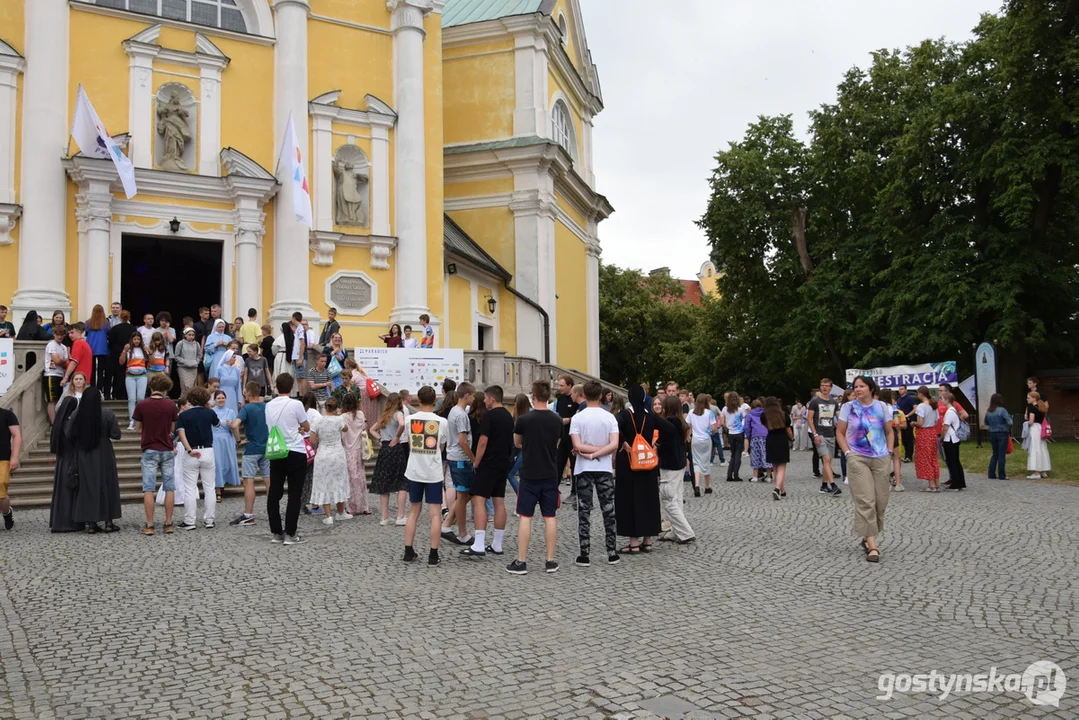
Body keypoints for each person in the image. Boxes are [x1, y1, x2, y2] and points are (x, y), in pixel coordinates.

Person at [507, 380, 563, 575]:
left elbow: (517, 442)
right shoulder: (556, 419)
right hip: (550, 473)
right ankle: (550, 560)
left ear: (533, 396)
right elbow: (556, 443)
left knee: (525, 516)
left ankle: (521, 561)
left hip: (530, 474)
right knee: (550, 516)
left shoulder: (524, 420)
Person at [836, 375, 894, 563]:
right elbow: (840, 432)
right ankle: (873, 545)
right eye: (855, 387)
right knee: (866, 501)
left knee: (880, 501)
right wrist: (847, 454)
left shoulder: (882, 407)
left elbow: (889, 431)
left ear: (870, 388)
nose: (858, 389)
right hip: (858, 458)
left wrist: (890, 452)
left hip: (880, 457)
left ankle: (867, 535)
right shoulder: (848, 407)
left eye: (861, 386)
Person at [568, 380, 622, 565]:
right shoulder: (610, 418)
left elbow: (577, 445)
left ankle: (584, 554)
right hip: (604, 468)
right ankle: (612, 552)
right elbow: (614, 445)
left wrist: (590, 454)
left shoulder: (577, 418)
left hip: (583, 468)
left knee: (584, 511)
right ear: (600, 396)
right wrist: (601, 451)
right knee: (609, 510)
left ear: (584, 393)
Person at [460, 385, 515, 558]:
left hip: (488, 463)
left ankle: (478, 544)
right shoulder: (507, 415)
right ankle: (497, 544)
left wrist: (476, 461)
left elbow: (483, 441)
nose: (483, 400)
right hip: (503, 463)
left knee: (478, 500)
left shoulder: (490, 416)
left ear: (491, 398)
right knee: (499, 502)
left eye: (485, 397)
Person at [401, 385, 450, 566]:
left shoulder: (409, 420)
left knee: (413, 512)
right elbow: (441, 446)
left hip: (414, 470)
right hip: (433, 472)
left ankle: (408, 550)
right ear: (434, 400)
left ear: (418, 401)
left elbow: (409, 441)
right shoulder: (441, 422)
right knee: (435, 514)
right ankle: (433, 554)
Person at [613, 385, 662, 554]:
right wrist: (656, 444)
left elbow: (613, 426)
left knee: (629, 500)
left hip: (628, 464)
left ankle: (633, 543)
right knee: (648, 500)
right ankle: (647, 541)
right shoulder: (651, 416)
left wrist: (623, 441)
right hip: (647, 463)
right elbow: (669, 429)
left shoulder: (625, 415)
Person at [67, 387, 122, 533]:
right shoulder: (107, 413)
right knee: (107, 483)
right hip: (104, 451)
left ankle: (91, 523)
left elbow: (69, 433)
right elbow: (116, 434)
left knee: (87, 486)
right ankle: (109, 522)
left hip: (84, 452)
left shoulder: (76, 414)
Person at [264, 373, 311, 545]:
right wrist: (298, 428)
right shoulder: (296, 404)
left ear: (276, 386)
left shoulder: (268, 405)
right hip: (295, 450)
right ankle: (291, 533)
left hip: (277, 450)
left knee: (274, 492)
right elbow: (306, 426)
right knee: (294, 494)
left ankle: (276, 532)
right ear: (292, 388)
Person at [133, 374, 179, 535]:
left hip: (149, 447)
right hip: (166, 448)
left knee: (148, 488)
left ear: (151, 387)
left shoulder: (142, 405)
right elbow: (172, 429)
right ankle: (168, 523)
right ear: (166, 388)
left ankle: (150, 524)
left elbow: (138, 428)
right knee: (169, 487)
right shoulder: (171, 405)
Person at [175, 386, 220, 530]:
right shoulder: (209, 413)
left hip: (192, 451)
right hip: (207, 450)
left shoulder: (183, 416)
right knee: (209, 487)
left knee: (190, 487)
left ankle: (189, 521)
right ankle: (209, 520)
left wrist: (189, 450)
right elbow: (218, 424)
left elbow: (181, 435)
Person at [654, 394, 695, 544]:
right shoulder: (681, 422)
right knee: (676, 498)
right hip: (679, 463)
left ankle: (685, 532)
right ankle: (675, 531)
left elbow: (662, 443)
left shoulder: (668, 423)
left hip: (669, 464)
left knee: (669, 499)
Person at [49, 372, 87, 532]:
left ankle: (60, 521)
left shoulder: (59, 425)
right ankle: (69, 521)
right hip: (70, 460)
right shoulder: (68, 426)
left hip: (62, 460)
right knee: (69, 490)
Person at [442, 382, 476, 547]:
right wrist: (473, 458)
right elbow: (463, 441)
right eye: (473, 395)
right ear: (467, 395)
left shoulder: (454, 411)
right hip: (461, 459)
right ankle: (460, 531)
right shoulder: (461, 415)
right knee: (463, 495)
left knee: (465, 494)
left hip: (456, 457)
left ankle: (449, 524)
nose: (474, 398)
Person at [309, 397, 351, 525]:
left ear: (325, 407)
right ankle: (340, 512)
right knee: (339, 481)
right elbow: (346, 429)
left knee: (323, 483)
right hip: (338, 453)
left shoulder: (317, 420)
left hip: (323, 454)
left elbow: (312, 440)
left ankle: (328, 516)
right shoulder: (339, 419)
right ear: (336, 408)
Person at [232, 382, 268, 526]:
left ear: (248, 393)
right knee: (269, 481)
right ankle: (273, 511)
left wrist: (238, 441)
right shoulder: (267, 406)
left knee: (249, 481)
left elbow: (235, 425)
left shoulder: (246, 408)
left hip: (252, 448)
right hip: (267, 448)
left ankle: (248, 514)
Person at [370, 392, 409, 526]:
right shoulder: (399, 414)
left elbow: (372, 430)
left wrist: (380, 438)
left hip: (385, 448)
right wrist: (397, 436)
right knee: (402, 482)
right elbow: (402, 424)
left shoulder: (384, 416)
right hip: (396, 448)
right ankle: (400, 516)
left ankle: (385, 517)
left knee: (385, 483)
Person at [807, 379, 842, 496]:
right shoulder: (815, 401)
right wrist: (815, 434)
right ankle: (833, 485)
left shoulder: (834, 402)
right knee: (826, 459)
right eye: (822, 385)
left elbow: (838, 418)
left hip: (830, 434)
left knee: (828, 461)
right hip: (819, 434)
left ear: (831, 388)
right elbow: (809, 419)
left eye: (827, 386)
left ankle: (823, 485)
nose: (824, 388)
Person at [340, 392, 370, 516]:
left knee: (351, 479)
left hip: (347, 450)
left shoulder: (342, 417)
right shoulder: (361, 414)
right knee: (361, 477)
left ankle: (351, 506)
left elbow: (341, 435)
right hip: (358, 449)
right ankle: (364, 506)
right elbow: (365, 428)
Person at [209, 389, 240, 501]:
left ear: (226, 399)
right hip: (215, 440)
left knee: (227, 462)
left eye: (222, 398)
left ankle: (224, 483)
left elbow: (235, 427)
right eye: (219, 398)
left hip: (227, 439)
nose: (221, 400)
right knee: (217, 464)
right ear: (215, 400)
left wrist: (231, 425)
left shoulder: (230, 412)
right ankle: (218, 490)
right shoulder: (211, 411)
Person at [762, 396, 793, 500]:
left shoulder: (764, 415)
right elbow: (788, 429)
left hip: (770, 439)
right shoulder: (784, 415)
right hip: (782, 439)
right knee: (782, 466)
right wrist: (792, 439)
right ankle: (777, 488)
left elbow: (766, 426)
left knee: (775, 465)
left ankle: (782, 490)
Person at [687, 394, 717, 497]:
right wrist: (712, 432)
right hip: (706, 439)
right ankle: (707, 487)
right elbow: (714, 428)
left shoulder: (691, 412)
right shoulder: (709, 413)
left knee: (696, 463)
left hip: (695, 439)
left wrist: (688, 436)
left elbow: (688, 426)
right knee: (706, 462)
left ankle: (697, 485)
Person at [118, 332, 148, 431]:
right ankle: (132, 421)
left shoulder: (143, 350)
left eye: (138, 339)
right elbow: (121, 362)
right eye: (135, 339)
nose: (136, 341)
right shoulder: (128, 350)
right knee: (131, 399)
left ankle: (141, 420)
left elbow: (151, 361)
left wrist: (149, 352)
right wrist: (124, 350)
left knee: (140, 398)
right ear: (132, 340)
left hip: (142, 376)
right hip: (130, 376)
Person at [913, 386, 941, 491]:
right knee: (933, 457)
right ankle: (936, 483)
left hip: (924, 433)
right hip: (932, 432)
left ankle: (931, 484)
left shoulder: (921, 406)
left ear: (920, 393)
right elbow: (937, 421)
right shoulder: (933, 404)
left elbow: (920, 422)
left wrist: (913, 423)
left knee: (925, 458)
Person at [938, 390, 967, 491]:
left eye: (942, 399)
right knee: (955, 461)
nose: (941, 401)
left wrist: (941, 438)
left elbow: (945, 427)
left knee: (952, 462)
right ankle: (960, 482)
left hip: (950, 439)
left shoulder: (949, 412)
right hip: (954, 439)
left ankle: (955, 484)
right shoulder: (953, 410)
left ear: (947, 400)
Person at [42, 325, 69, 424]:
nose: (60, 337)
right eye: (58, 335)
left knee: (58, 400)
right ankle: (53, 423)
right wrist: (62, 361)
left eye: (62, 335)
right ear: (54, 334)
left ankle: (57, 421)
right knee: (52, 400)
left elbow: (67, 363)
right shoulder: (51, 344)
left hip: (60, 374)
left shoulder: (63, 347)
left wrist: (62, 361)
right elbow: (57, 360)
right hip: (51, 374)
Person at [299, 392, 321, 513]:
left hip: (301, 446)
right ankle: (315, 505)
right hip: (312, 447)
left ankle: (301, 504)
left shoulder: (300, 413)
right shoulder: (316, 414)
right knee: (313, 476)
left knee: (301, 477)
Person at [879, 389, 905, 492]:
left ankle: (886, 484)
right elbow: (897, 422)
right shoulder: (893, 408)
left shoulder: (879, 406)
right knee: (896, 458)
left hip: (881, 432)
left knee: (884, 459)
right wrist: (897, 432)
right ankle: (898, 483)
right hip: (892, 430)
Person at [0, 403, 20, 531]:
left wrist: (15, 457)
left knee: (1, 490)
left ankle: (7, 513)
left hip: (3, 458)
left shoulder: (7, 415)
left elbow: (17, 435)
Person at [107, 310, 134, 400]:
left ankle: (117, 394)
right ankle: (127, 394)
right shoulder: (133, 328)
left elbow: (110, 342)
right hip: (130, 354)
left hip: (116, 354)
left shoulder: (115, 328)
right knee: (129, 374)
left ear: (120, 317)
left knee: (118, 375)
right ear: (129, 318)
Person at [60, 323, 94, 396]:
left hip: (76, 380)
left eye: (72, 332)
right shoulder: (85, 344)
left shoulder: (78, 343)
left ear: (79, 331)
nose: (70, 335)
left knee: (68, 403)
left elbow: (74, 362)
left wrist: (65, 377)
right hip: (84, 379)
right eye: (69, 333)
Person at [985, 394, 1013, 480]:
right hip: (1002, 433)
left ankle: (991, 473)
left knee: (995, 454)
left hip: (992, 433)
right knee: (1001, 454)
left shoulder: (989, 411)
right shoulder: (1002, 410)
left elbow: (986, 422)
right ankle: (1002, 474)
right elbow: (1010, 422)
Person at [720, 392, 746, 482]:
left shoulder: (725, 409)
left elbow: (723, 422)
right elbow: (743, 419)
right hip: (739, 432)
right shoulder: (740, 410)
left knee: (733, 454)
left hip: (731, 433)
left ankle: (729, 475)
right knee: (738, 454)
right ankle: (736, 475)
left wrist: (726, 428)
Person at [83, 305, 110, 390]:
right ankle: (99, 388)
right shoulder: (106, 323)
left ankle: (92, 387)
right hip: (102, 349)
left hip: (91, 348)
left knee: (92, 370)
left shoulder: (88, 322)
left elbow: (86, 334)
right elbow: (108, 333)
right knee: (101, 371)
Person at [744, 399, 772, 482]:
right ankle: (769, 476)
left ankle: (755, 476)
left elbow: (746, 427)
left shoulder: (749, 415)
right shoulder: (766, 413)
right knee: (766, 455)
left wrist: (749, 436)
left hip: (755, 436)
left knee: (755, 455)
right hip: (766, 435)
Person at [1025, 391, 1051, 479]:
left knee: (1035, 448)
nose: (1027, 399)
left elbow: (1031, 421)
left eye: (1028, 398)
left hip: (1035, 429)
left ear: (1034, 398)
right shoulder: (1041, 407)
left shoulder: (1032, 408)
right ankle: (1043, 470)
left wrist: (1026, 423)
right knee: (1042, 448)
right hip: (1040, 427)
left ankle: (1036, 472)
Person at [172, 326, 201, 397]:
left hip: (193, 368)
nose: (191, 336)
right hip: (183, 367)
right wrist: (185, 362)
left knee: (192, 386)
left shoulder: (197, 344)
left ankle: (190, 400)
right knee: (185, 385)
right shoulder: (180, 343)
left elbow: (199, 355)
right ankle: (183, 400)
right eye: (189, 335)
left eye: (192, 335)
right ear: (185, 335)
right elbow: (176, 356)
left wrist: (195, 362)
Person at [218, 341, 244, 413]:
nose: (235, 359)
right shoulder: (220, 369)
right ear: (228, 357)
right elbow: (216, 383)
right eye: (233, 357)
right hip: (222, 393)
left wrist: (239, 399)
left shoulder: (236, 370)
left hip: (233, 395)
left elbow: (238, 386)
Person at [895, 385, 918, 463]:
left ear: (905, 390)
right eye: (899, 389)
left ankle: (909, 456)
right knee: (903, 439)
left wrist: (908, 415)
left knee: (908, 439)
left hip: (907, 421)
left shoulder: (910, 399)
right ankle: (905, 455)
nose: (900, 390)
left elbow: (916, 407)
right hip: (900, 421)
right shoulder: (899, 399)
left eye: (902, 389)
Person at [146, 331, 171, 395]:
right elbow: (149, 360)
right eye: (155, 340)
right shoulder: (150, 348)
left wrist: (167, 366)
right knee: (153, 387)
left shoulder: (165, 348)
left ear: (161, 340)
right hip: (151, 370)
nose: (157, 342)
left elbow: (167, 358)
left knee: (163, 386)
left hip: (161, 370)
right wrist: (150, 352)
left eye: (158, 340)